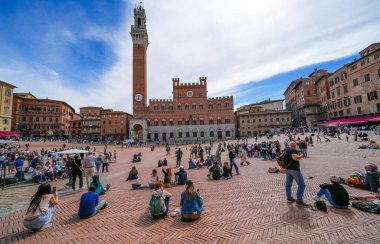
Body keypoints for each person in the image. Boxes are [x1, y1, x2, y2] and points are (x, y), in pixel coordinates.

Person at [284, 141, 308, 207]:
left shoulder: (285, 150)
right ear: (294, 146)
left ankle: (289, 198)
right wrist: (301, 155)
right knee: (302, 185)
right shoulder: (292, 150)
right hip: (294, 169)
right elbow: (296, 158)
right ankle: (299, 201)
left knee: (288, 184)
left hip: (287, 169)